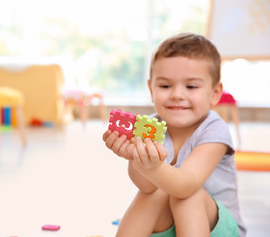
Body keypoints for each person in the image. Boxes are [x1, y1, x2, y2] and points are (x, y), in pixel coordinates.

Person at [102, 33, 246, 236]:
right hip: (174, 226)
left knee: (187, 195)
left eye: (191, 86)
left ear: (215, 94)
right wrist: (134, 158)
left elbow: (186, 185)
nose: (177, 95)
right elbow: (147, 186)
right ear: (151, 89)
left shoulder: (214, 128)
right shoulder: (150, 128)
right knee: (152, 193)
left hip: (219, 229)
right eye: (165, 86)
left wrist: (153, 168)